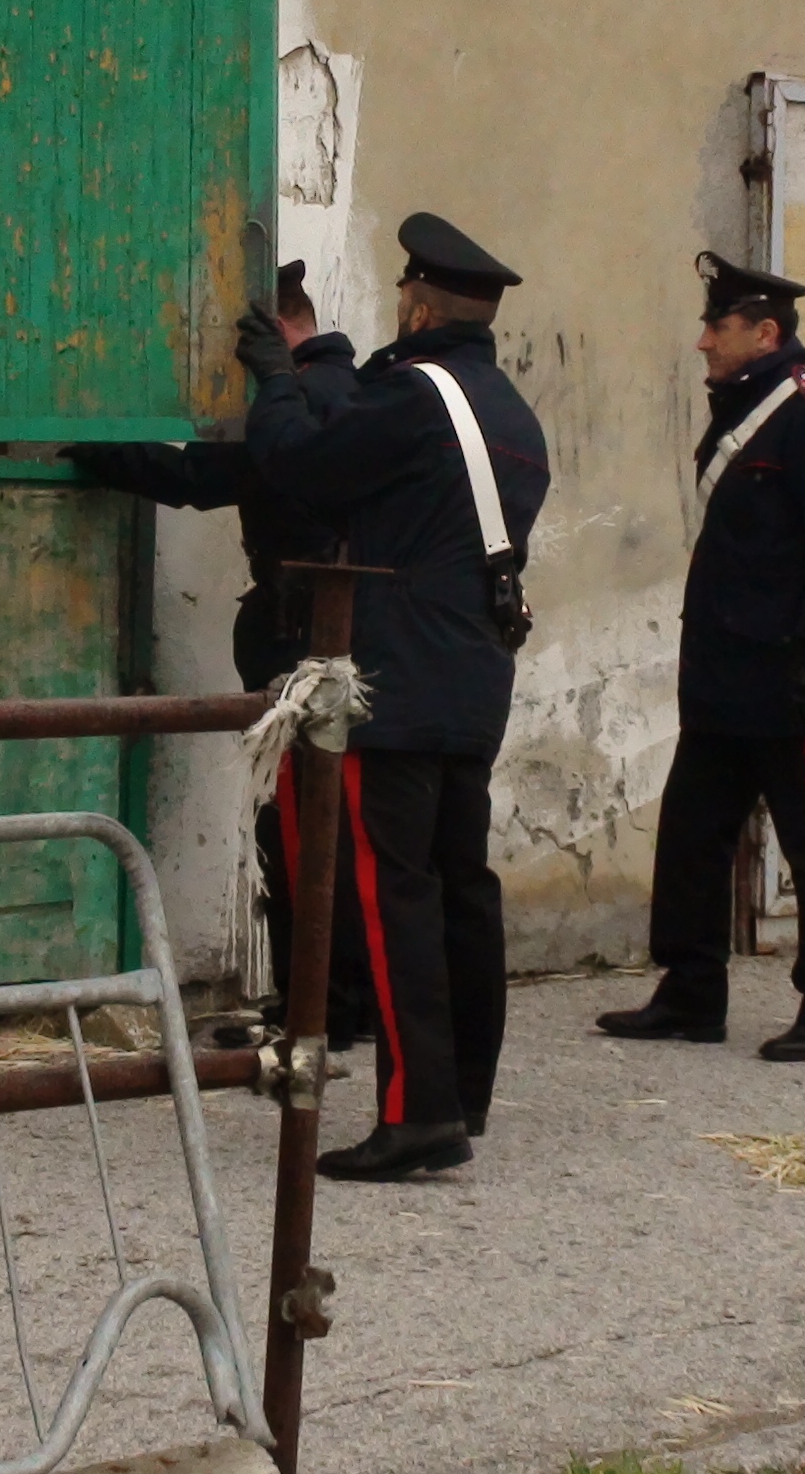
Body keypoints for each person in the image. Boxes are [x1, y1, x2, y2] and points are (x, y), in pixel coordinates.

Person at [239, 213, 548, 1179]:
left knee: (391, 893)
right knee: (461, 888)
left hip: (397, 676)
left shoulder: (415, 394)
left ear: (415, 306)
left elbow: (301, 467)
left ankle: (418, 1115)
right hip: (469, 675)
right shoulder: (508, 412)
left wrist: (278, 381)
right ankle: (464, 1092)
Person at [63, 263, 362, 1026]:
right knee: (320, 815)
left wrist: (86, 441)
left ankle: (317, 1002)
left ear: (278, 332)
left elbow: (202, 473)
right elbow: (209, 473)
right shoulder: (340, 392)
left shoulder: (307, 400)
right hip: (316, 630)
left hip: (305, 637)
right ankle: (329, 996)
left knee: (300, 817)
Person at [597, 251, 805, 1061]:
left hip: (788, 674)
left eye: (714, 328)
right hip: (721, 672)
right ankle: (690, 991)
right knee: (692, 837)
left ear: (763, 332)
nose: (701, 344)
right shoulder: (739, 408)